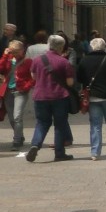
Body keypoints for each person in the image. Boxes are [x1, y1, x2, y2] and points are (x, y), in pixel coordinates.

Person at [25, 34, 76, 162]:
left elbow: (33, 77)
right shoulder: (64, 62)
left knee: (41, 123)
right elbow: (70, 83)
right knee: (60, 124)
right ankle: (59, 153)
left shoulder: (37, 60)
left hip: (40, 96)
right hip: (60, 96)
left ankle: (35, 145)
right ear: (61, 47)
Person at [0, 40, 33, 150]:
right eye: (11, 51)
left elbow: (33, 78)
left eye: (15, 52)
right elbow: (1, 69)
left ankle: (17, 140)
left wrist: (26, 87)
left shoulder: (28, 61)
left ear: (22, 50)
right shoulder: (8, 58)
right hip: (8, 90)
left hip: (20, 91)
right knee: (11, 117)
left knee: (17, 116)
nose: (13, 54)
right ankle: (20, 136)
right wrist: (5, 55)